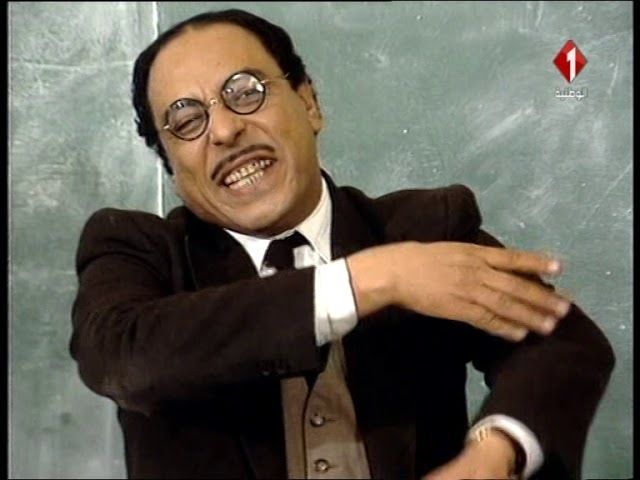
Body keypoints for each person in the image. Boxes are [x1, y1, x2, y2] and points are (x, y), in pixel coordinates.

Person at [69, 8, 614, 480]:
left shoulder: (424, 228)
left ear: (309, 103)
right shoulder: (138, 250)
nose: (225, 131)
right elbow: (121, 359)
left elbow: (562, 342)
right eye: (187, 119)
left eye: (246, 92)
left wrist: (498, 450)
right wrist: (376, 280)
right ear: (169, 164)